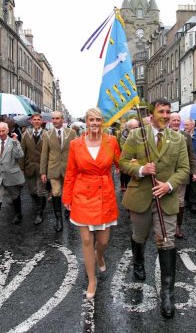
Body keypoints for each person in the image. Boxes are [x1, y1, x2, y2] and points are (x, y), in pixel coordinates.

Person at [119, 98, 189, 318]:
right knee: (139, 236)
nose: (166, 115)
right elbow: (122, 162)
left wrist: (168, 185)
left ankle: (167, 294)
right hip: (140, 197)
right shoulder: (136, 135)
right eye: (162, 111)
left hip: (166, 200)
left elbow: (184, 169)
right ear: (151, 115)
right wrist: (140, 169)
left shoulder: (178, 139)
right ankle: (138, 261)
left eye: (169, 112)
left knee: (167, 240)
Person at [62, 108, 120, 300]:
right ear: (86, 122)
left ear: (102, 122)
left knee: (102, 241)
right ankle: (92, 279)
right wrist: (67, 197)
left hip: (104, 194)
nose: (95, 122)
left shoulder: (111, 141)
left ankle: (100, 256)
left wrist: (139, 165)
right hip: (83, 194)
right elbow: (71, 172)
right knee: (87, 240)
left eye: (98, 119)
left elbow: (122, 163)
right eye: (91, 119)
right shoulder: (75, 144)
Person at [40, 111, 76, 232]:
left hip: (68, 168)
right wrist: (43, 172)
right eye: (53, 118)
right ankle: (58, 219)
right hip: (53, 168)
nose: (55, 121)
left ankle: (68, 209)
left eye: (57, 118)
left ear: (62, 119)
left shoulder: (71, 133)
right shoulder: (47, 134)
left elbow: (76, 151)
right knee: (55, 193)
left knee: (67, 192)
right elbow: (44, 154)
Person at [169, 112, 196, 238]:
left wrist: (195, 171)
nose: (176, 122)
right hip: (167, 175)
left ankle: (177, 227)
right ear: (169, 121)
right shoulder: (162, 134)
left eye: (178, 120)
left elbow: (192, 155)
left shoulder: (186, 136)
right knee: (167, 201)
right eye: (173, 120)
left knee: (180, 202)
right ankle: (167, 225)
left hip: (182, 175)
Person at [19, 113, 47, 225]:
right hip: (29, 168)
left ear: (41, 121)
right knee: (32, 192)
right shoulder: (26, 134)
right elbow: (22, 152)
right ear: (31, 121)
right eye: (34, 119)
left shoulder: (47, 135)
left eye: (38, 119)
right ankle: (39, 205)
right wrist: (21, 168)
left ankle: (39, 213)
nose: (36, 121)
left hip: (41, 168)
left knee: (40, 191)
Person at [0, 122, 25, 224]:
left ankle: (18, 214)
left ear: (8, 131)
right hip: (0, 176)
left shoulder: (13, 141)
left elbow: (19, 155)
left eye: (3, 131)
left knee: (15, 196)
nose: (1, 133)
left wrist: (15, 142)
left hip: (11, 175)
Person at [119, 118, 140, 192]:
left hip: (139, 161)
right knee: (126, 176)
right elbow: (124, 149)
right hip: (128, 160)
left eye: (137, 127)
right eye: (133, 128)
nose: (136, 129)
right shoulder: (123, 137)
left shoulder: (142, 135)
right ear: (128, 129)